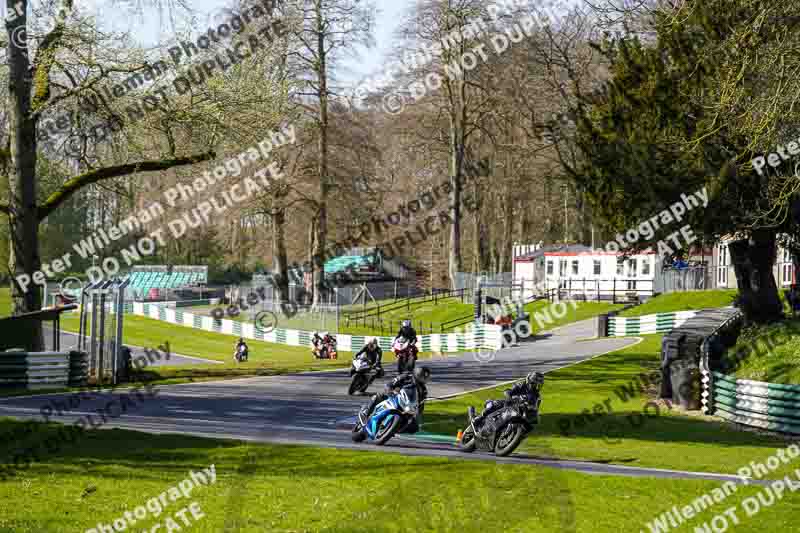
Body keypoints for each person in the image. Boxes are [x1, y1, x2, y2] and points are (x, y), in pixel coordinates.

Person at [360, 366, 431, 422]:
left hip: (406, 405)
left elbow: (421, 403)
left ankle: (394, 429)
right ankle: (366, 412)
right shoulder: (406, 376)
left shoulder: (423, 390)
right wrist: (389, 391)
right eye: (423, 377)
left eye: (426, 378)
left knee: (413, 426)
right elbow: (389, 384)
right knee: (379, 396)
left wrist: (418, 414)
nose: (424, 379)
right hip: (394, 395)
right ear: (417, 374)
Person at [472, 372, 544, 426]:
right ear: (530, 382)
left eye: (539, 385)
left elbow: (535, 409)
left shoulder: (537, 396)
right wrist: (509, 396)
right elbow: (508, 391)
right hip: (509, 404)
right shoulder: (522, 385)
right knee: (494, 405)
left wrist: (536, 417)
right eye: (535, 384)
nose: (536, 387)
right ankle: (479, 418)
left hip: (520, 412)